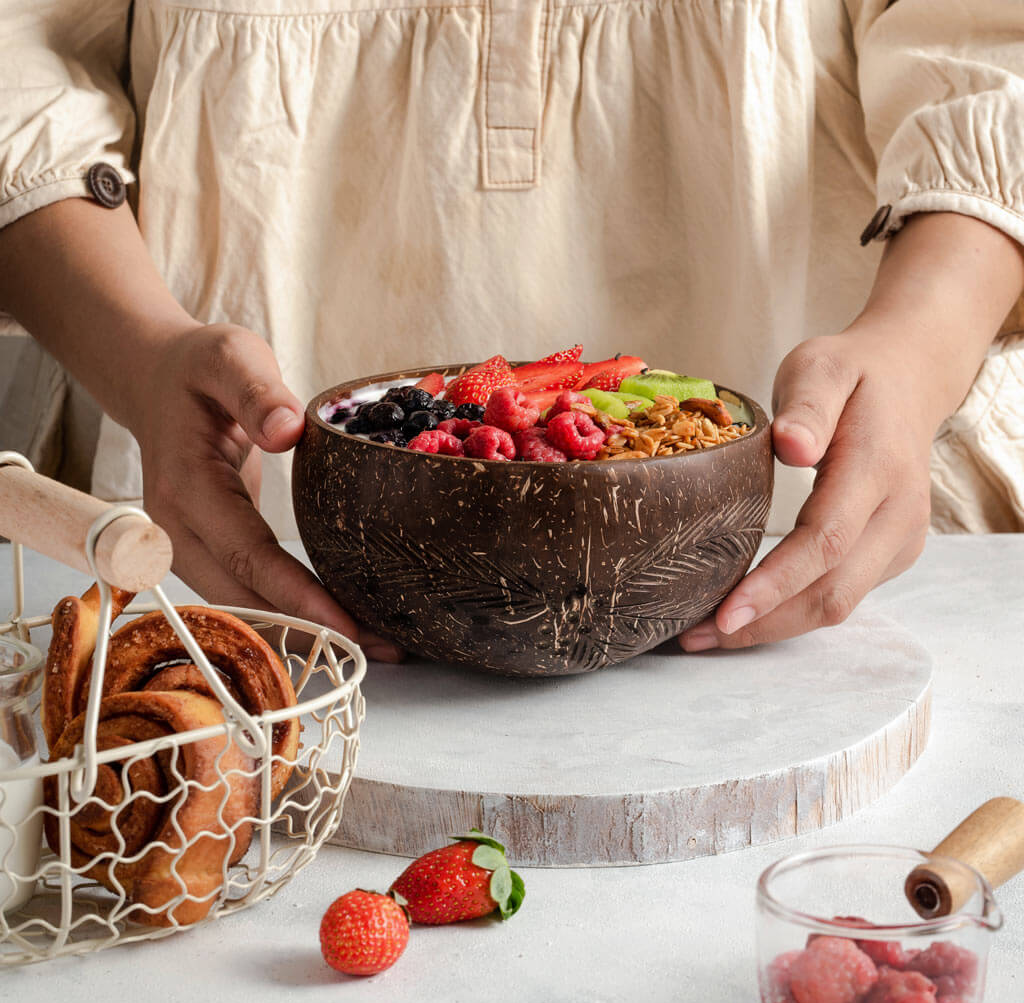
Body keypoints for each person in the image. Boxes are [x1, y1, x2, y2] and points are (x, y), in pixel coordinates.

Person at [1, 0, 1022, 660]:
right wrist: (138, 351)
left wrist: (918, 344)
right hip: (216, 573)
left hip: (812, 577)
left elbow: (987, 53)